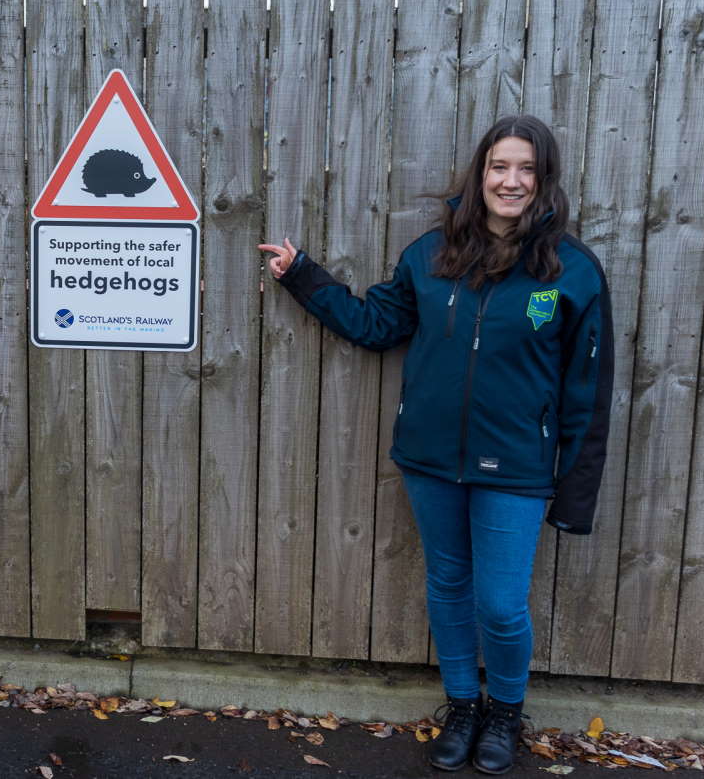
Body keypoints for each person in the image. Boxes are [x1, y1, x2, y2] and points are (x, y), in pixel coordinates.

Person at [259, 115, 613, 775]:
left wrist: (575, 489)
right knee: (448, 584)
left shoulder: (573, 271)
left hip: (517, 467)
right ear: (480, 175)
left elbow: (588, 391)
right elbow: (375, 323)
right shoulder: (431, 254)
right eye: (499, 167)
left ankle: (505, 711)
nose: (511, 180)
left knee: (500, 604)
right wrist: (302, 275)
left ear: (544, 180)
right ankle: (462, 706)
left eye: (526, 169)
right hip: (431, 460)